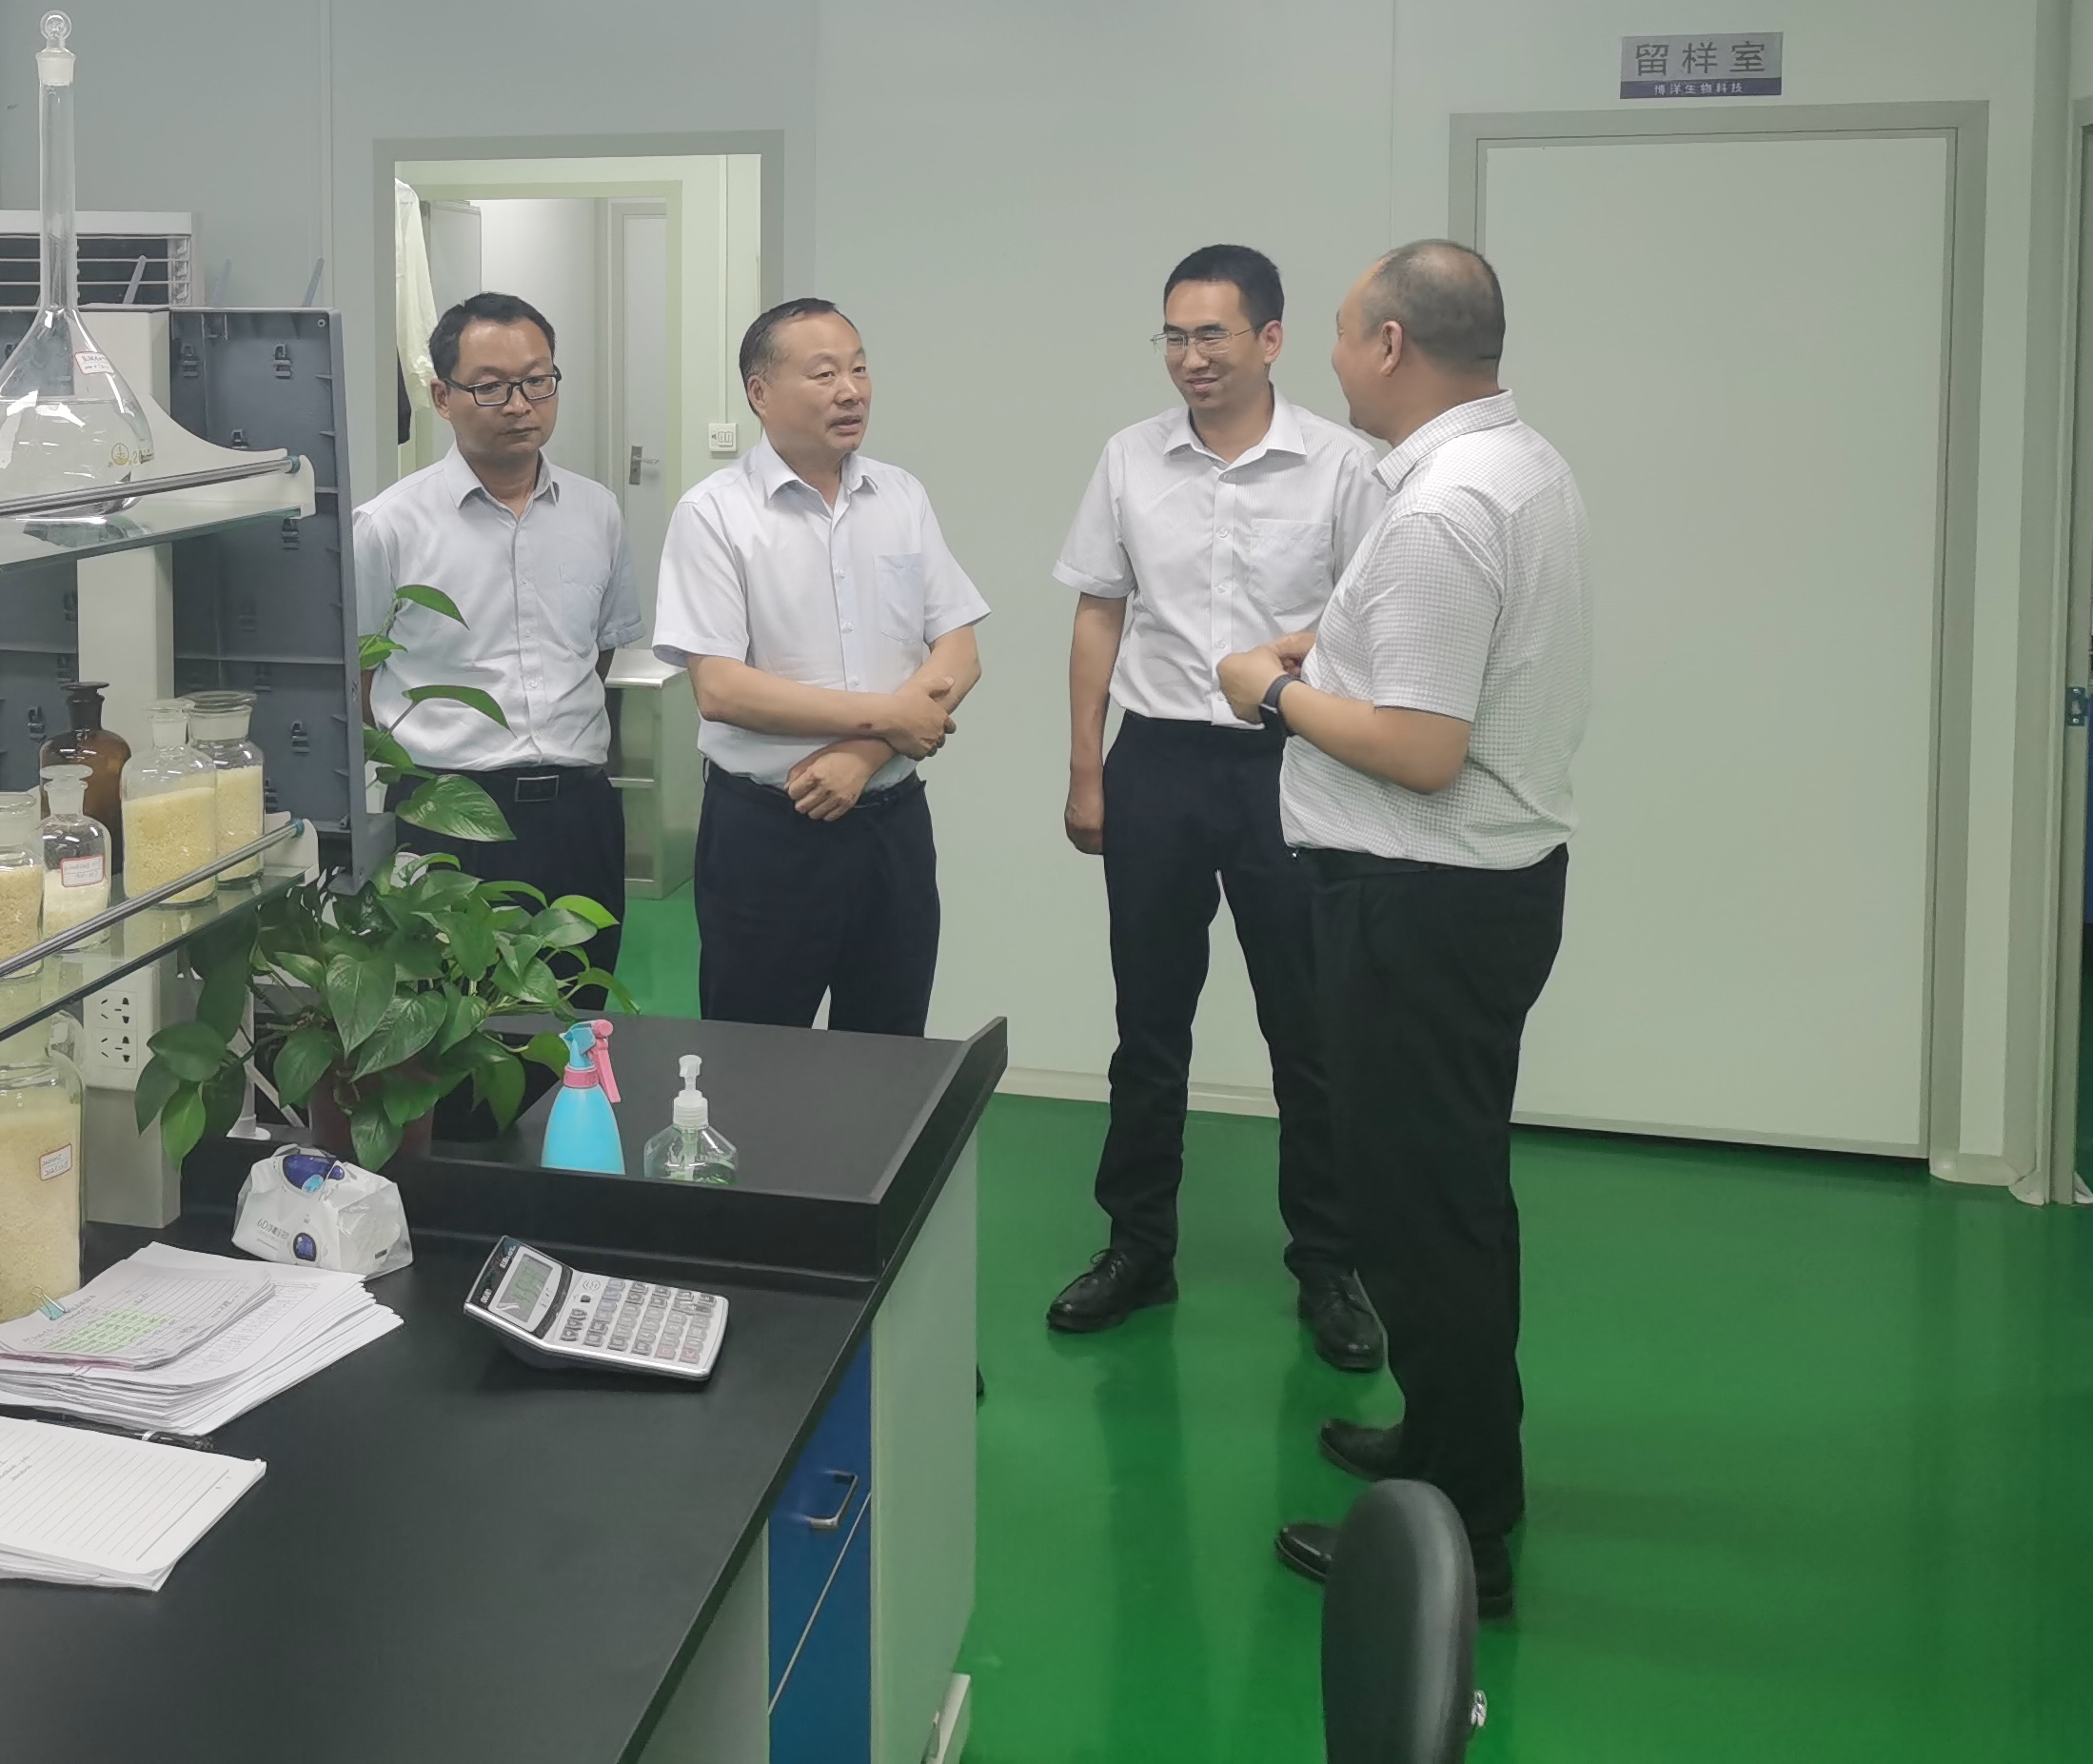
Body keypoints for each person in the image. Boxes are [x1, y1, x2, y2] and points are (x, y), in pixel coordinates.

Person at [1216, 241, 1589, 1623]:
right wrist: (1328, 653)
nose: (1329, 357)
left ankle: (1464, 1538)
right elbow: (1431, 665)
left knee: (1423, 1223)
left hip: (1418, 904)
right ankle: (1448, 1450)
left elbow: (1424, 751)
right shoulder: (1516, 465)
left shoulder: (1442, 505)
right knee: (1449, 1201)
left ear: (1389, 344)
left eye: (1337, 333)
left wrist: (1268, 690)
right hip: (1474, 895)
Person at [1047, 245, 1390, 1375]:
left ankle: (1330, 1265)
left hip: (1293, 761)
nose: (1192, 358)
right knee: (1149, 1023)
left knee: (1310, 1027)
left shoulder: (1343, 466)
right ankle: (1137, 1248)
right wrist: (1087, 768)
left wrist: (1290, 666)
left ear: (1271, 340)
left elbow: (1373, 616)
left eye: (1214, 335)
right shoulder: (1129, 459)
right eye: (1176, 337)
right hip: (1155, 762)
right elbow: (1100, 612)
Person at [654, 298, 987, 1035]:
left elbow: (959, 652)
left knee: (890, 1051)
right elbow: (721, 689)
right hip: (769, 831)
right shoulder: (713, 514)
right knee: (756, 1055)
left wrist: (863, 757)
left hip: (893, 825)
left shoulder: (901, 496)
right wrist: (890, 717)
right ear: (760, 392)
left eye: (860, 369)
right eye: (825, 373)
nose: (851, 391)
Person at [355, 289, 645, 1043]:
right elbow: (358, 675)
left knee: (576, 1024)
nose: (520, 404)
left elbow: (599, 649)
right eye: (490, 386)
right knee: (454, 1035)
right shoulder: (389, 526)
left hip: (580, 814)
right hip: (447, 818)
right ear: (442, 397)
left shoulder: (597, 512)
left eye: (537, 380)